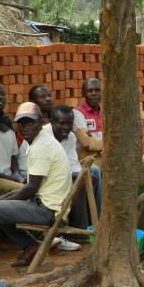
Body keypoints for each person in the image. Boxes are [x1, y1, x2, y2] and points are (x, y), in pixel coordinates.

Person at [0, 102, 72, 276]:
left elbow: (30, 189)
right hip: (48, 205)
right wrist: (1, 202)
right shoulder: (39, 142)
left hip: (47, 210)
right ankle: (31, 246)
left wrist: (0, 201)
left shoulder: (41, 147)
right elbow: (29, 188)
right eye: (21, 123)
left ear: (41, 122)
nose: (25, 127)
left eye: (30, 122)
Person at [73, 77, 144, 191]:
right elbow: (87, 143)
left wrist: (104, 143)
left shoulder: (108, 112)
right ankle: (101, 207)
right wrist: (110, 143)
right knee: (100, 169)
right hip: (90, 157)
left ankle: (138, 201)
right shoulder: (77, 113)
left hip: (110, 154)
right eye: (90, 91)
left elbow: (120, 136)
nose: (94, 93)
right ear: (83, 93)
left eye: (97, 90)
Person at [48, 104, 95, 243]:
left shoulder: (71, 138)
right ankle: (65, 233)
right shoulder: (43, 138)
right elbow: (48, 170)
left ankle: (80, 231)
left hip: (61, 178)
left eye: (69, 124)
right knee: (76, 180)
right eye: (62, 123)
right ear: (52, 122)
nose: (66, 127)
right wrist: (75, 176)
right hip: (40, 179)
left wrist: (83, 176)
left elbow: (73, 164)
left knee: (84, 179)